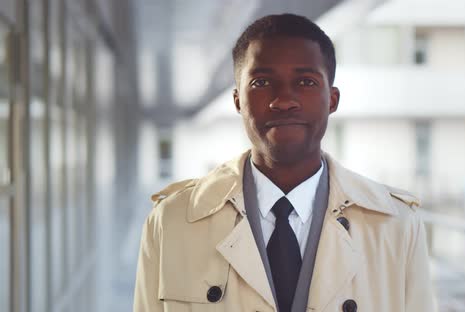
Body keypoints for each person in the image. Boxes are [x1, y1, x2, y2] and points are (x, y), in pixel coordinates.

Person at [134, 13, 435, 312]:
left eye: (305, 81)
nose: (283, 100)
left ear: (332, 100)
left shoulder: (396, 225)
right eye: (262, 82)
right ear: (238, 100)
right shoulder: (171, 222)